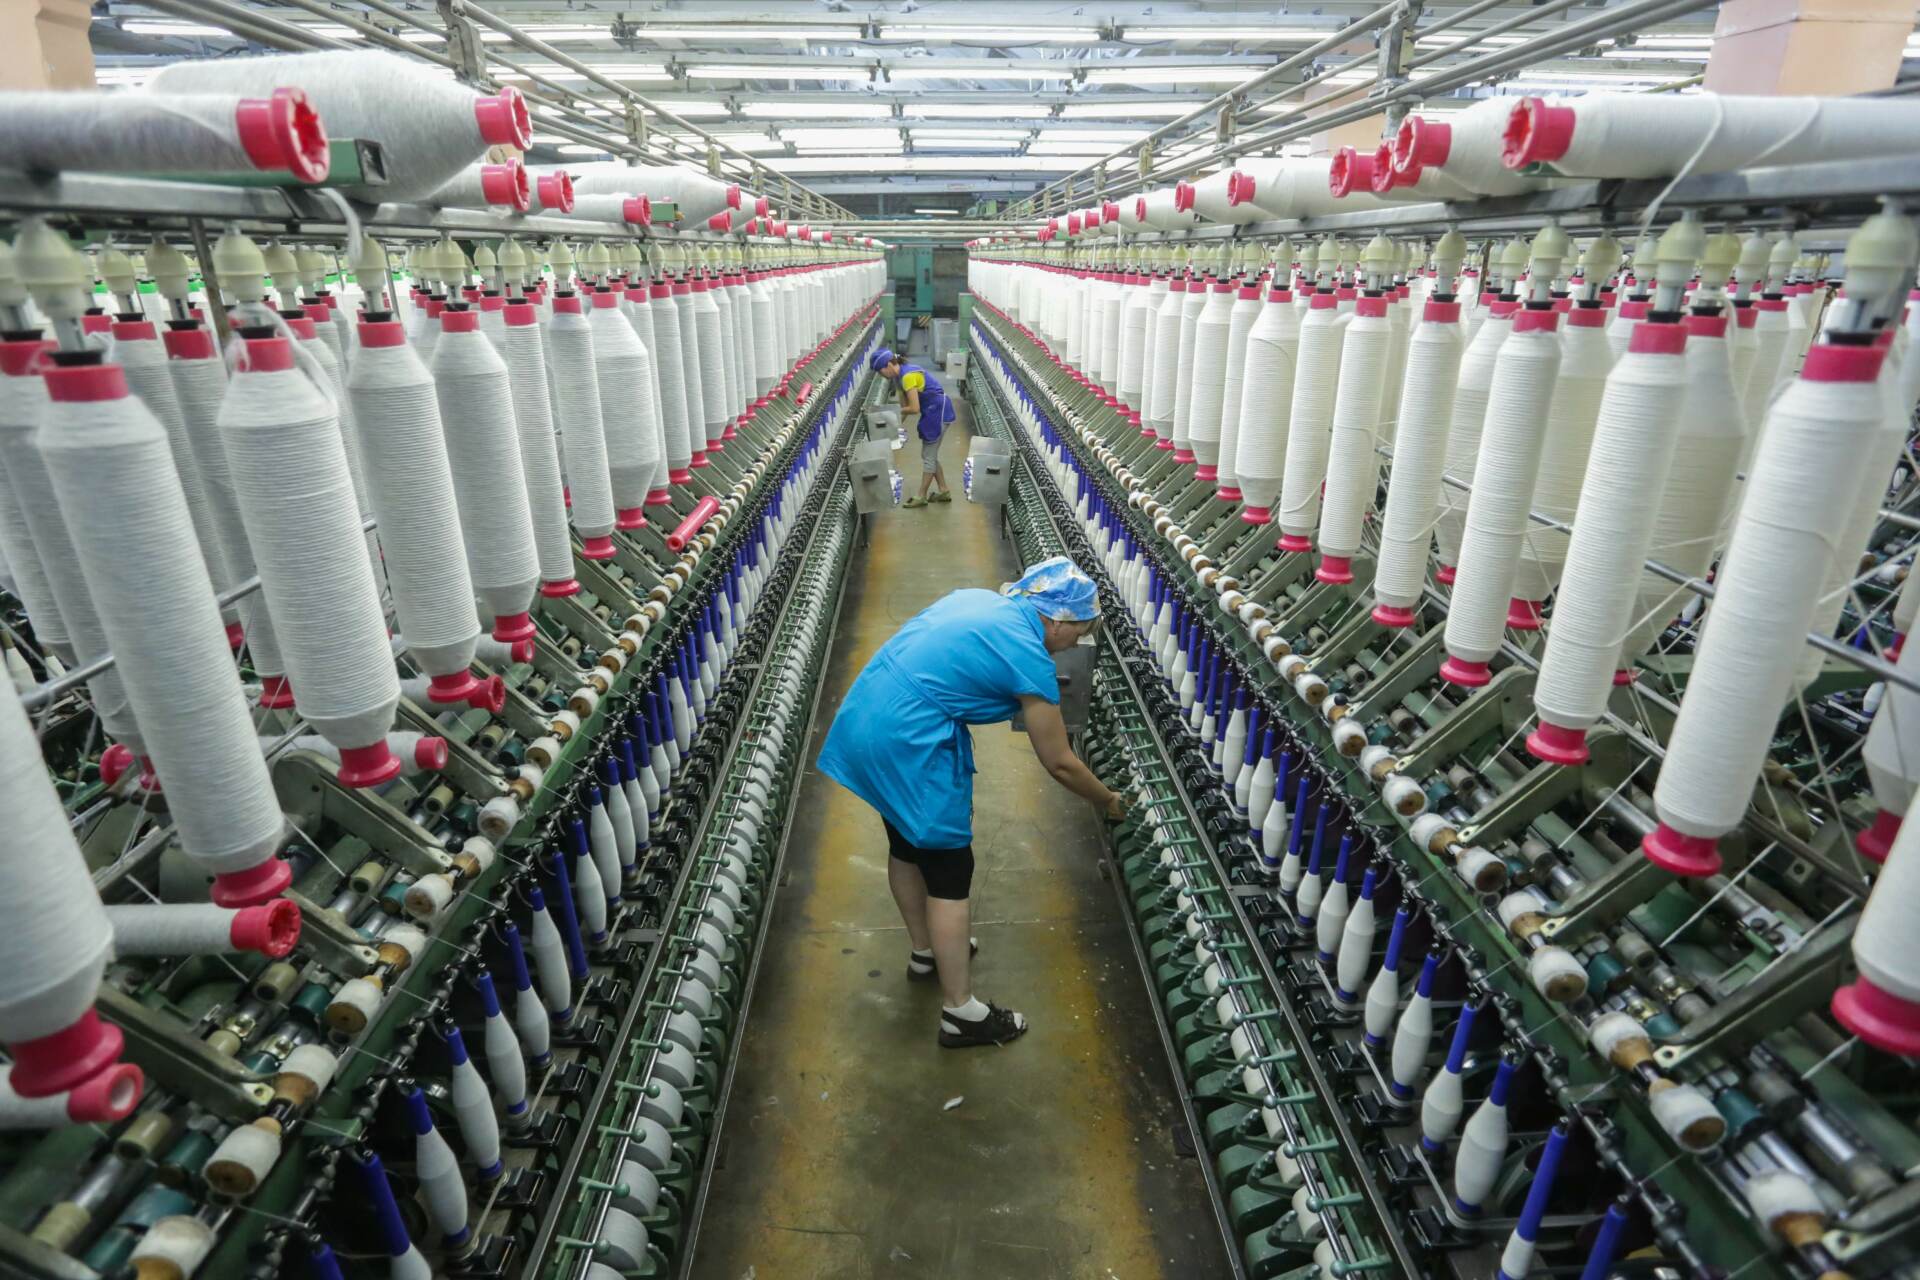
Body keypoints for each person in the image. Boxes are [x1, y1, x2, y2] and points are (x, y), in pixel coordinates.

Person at [817, 556, 1130, 1048]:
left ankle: (926, 951)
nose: (1078, 642)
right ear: (1056, 620)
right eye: (1080, 630)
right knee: (950, 872)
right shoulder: (1028, 653)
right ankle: (960, 1013)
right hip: (910, 741)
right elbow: (1060, 763)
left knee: (905, 845)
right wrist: (1108, 799)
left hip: (872, 714)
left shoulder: (983, 602)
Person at [872, 347, 955, 508]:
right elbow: (904, 408)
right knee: (929, 455)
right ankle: (944, 490)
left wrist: (888, 412)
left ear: (889, 364)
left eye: (881, 371)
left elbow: (914, 408)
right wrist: (892, 429)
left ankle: (921, 496)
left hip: (938, 411)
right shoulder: (898, 379)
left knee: (928, 456)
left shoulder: (908, 376)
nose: (882, 375)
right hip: (931, 411)